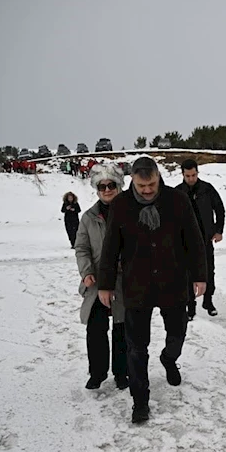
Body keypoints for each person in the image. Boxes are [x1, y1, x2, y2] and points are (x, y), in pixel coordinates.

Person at [98, 157, 207, 424]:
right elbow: (110, 247)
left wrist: (200, 276)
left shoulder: (177, 200)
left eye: (152, 184)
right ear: (132, 180)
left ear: (159, 177)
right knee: (137, 348)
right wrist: (106, 283)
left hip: (173, 282)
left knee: (178, 333)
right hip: (137, 286)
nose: (147, 190)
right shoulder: (122, 205)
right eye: (141, 185)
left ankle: (169, 359)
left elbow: (194, 239)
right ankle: (140, 401)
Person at [74, 164, 128, 391]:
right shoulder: (88, 217)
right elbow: (81, 248)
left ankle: (122, 373)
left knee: (122, 330)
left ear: (119, 186)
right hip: (96, 283)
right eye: (102, 186)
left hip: (123, 283)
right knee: (95, 330)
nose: (107, 190)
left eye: (111, 185)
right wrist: (86, 272)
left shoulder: (130, 212)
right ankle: (97, 373)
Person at [175, 158, 225, 319]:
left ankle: (208, 301)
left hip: (205, 239)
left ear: (197, 173)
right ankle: (191, 307)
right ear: (182, 174)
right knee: (188, 274)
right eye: (188, 175)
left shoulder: (207, 189)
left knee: (209, 271)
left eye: (194, 175)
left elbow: (220, 209)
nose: (191, 178)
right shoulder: (177, 192)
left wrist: (219, 231)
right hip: (185, 242)